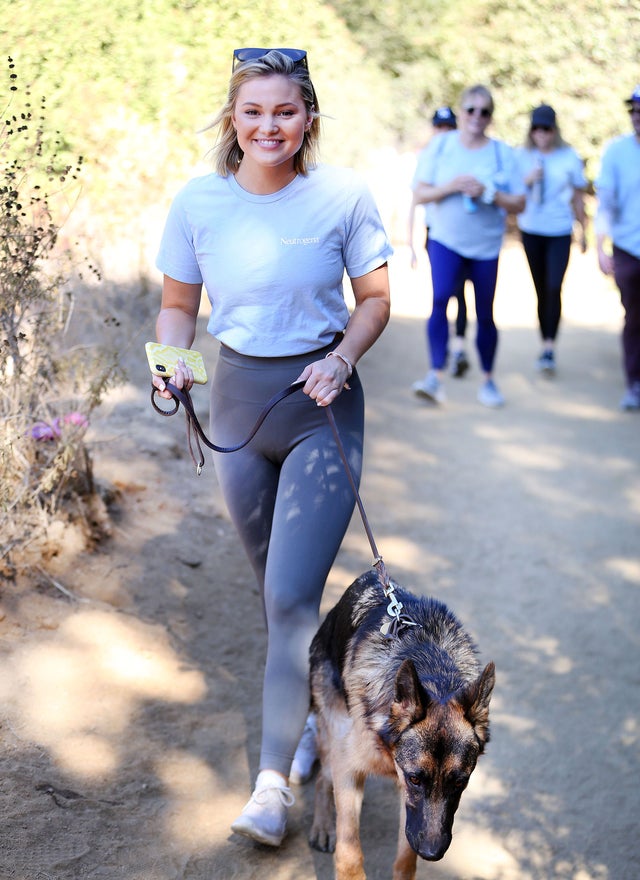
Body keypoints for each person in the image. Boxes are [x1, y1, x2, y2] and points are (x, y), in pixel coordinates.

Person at [152, 48, 392, 845]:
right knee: (276, 597)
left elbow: (377, 299)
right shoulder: (198, 203)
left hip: (323, 406)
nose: (268, 126)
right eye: (252, 111)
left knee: (290, 600)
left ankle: (273, 784)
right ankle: (320, 709)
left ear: (308, 118)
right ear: (232, 118)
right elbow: (179, 309)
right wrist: (173, 375)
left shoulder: (343, 195)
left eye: (284, 111)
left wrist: (342, 358)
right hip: (239, 407)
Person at [411, 85, 526, 407]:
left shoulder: (502, 153)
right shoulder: (441, 147)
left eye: (484, 111)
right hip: (446, 240)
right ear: (461, 112)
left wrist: (489, 193)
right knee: (440, 299)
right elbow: (419, 193)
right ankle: (435, 376)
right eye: (471, 110)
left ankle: (488, 380)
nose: (477, 116)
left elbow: (519, 203)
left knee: (485, 313)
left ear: (491, 117)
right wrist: (452, 186)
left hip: (486, 247)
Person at [516, 105, 588, 374]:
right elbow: (510, 191)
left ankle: (549, 347)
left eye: (546, 128)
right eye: (536, 128)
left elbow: (578, 197)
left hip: (559, 231)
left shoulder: (569, 157)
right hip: (531, 230)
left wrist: (583, 230)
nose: (541, 134)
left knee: (554, 286)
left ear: (554, 130)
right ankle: (544, 342)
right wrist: (527, 178)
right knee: (540, 289)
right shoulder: (521, 156)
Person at [408, 106, 470, 378]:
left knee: (461, 293)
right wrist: (410, 245)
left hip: (462, 234)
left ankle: (459, 348)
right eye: (439, 127)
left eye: (449, 127)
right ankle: (443, 348)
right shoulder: (428, 157)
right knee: (443, 293)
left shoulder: (462, 157)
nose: (444, 132)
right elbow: (415, 200)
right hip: (435, 234)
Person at [595, 85, 640, 411]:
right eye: (634, 111)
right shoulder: (616, 152)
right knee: (635, 318)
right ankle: (633, 383)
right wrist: (600, 246)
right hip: (628, 248)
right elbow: (605, 204)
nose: (637, 117)